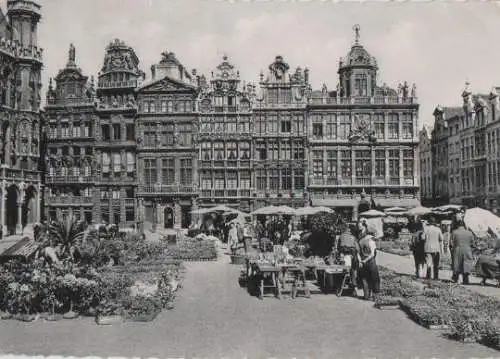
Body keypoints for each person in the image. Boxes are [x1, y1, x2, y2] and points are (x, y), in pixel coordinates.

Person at [358, 223, 380, 300]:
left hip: (363, 261)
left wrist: (361, 261)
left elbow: (358, 253)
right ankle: (375, 296)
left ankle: (366, 295)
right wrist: (365, 260)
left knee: (364, 278)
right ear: (371, 234)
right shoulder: (371, 241)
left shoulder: (360, 241)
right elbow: (372, 254)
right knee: (374, 278)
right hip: (370, 261)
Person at [451, 220, 475, 284]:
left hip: (458, 249)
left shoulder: (454, 232)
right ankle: (465, 279)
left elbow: (451, 244)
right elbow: (473, 244)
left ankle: (456, 279)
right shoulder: (470, 233)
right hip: (467, 250)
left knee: (457, 264)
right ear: (464, 225)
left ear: (457, 225)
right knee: (466, 264)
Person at [338, 225, 360, 291]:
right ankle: (354, 285)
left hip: (344, 255)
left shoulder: (341, 236)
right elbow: (357, 248)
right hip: (353, 255)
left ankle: (343, 284)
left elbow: (338, 247)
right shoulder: (353, 237)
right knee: (353, 270)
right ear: (350, 231)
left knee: (344, 270)